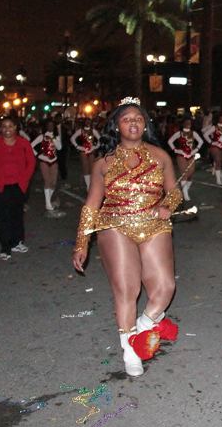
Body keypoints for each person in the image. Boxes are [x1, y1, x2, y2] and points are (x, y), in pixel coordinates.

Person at [72, 97, 182, 377]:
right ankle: (129, 349)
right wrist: (81, 243)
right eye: (126, 119)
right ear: (116, 126)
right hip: (114, 225)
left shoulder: (161, 156)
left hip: (154, 225)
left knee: (165, 287)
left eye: (138, 118)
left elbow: (174, 192)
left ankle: (142, 328)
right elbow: (91, 205)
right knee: (127, 290)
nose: (133, 122)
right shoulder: (103, 163)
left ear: (145, 124)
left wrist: (168, 206)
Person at [0, 116, 36, 261]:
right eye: (4, 126)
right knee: (3, 216)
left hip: (19, 185)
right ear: (0, 128)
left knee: (17, 214)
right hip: (0, 185)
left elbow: (31, 162)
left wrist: (24, 179)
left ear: (15, 128)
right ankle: (5, 246)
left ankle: (17, 242)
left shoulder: (23, 143)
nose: (7, 130)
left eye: (10, 126)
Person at [31, 119, 64, 215]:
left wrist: (53, 138)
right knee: (47, 181)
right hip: (44, 160)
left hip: (54, 160)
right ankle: (48, 203)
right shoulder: (41, 137)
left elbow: (59, 148)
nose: (50, 127)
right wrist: (38, 155)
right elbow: (30, 145)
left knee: (53, 183)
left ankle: (48, 200)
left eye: (52, 126)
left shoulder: (56, 137)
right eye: (48, 125)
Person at [167, 117, 204, 201]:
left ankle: (185, 189)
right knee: (184, 173)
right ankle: (185, 193)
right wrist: (176, 150)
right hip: (181, 155)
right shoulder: (179, 133)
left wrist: (195, 150)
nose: (188, 125)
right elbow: (170, 141)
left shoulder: (193, 133)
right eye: (186, 123)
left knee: (191, 174)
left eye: (189, 123)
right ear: (183, 124)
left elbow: (201, 141)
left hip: (191, 155)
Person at [70, 118, 100, 191]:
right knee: (85, 168)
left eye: (89, 121)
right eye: (86, 121)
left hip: (91, 151)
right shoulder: (80, 131)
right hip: (83, 151)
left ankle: (92, 185)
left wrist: (95, 147)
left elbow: (100, 139)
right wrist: (78, 147)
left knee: (92, 168)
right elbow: (72, 138)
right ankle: (88, 186)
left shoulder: (93, 131)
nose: (88, 123)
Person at [202, 113, 222, 185]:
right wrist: (211, 142)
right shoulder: (214, 127)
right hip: (216, 145)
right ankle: (218, 178)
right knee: (218, 160)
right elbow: (205, 134)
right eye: (220, 119)